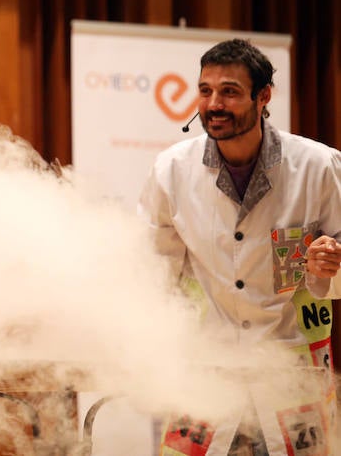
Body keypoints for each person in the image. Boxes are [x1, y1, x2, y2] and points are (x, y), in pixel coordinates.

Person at [138, 39, 341, 456]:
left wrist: (329, 266)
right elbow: (154, 275)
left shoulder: (318, 166)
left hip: (290, 368)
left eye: (229, 91)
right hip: (206, 371)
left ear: (263, 96)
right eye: (205, 90)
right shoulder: (172, 170)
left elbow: (337, 256)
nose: (214, 104)